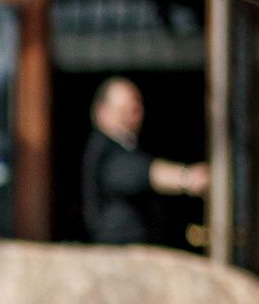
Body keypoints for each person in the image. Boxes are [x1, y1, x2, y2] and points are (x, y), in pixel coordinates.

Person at [82, 77, 208, 246]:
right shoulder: (103, 148)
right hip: (119, 253)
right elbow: (138, 173)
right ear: (102, 112)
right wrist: (186, 178)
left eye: (136, 107)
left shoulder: (130, 145)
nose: (134, 112)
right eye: (123, 109)